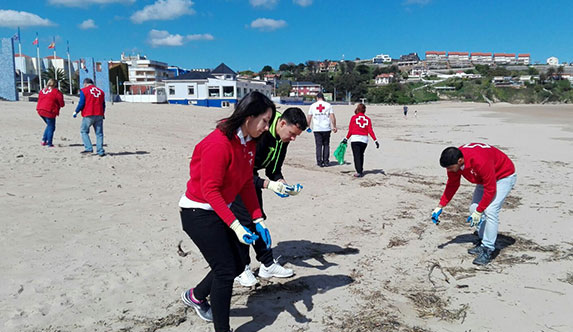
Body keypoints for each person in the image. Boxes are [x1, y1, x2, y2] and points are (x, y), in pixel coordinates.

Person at [178, 91, 276, 332]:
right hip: (198, 211)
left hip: (221, 210)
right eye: (265, 121)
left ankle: (195, 297)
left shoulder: (249, 143)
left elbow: (245, 182)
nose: (266, 128)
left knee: (236, 263)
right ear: (248, 117)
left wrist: (257, 219)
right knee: (225, 270)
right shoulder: (218, 143)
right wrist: (236, 226)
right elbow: (210, 190)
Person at [231, 107, 308, 287]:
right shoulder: (260, 131)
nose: (293, 138)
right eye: (292, 133)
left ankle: (267, 265)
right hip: (235, 179)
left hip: (252, 178)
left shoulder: (283, 137)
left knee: (258, 219)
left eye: (296, 135)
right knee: (244, 223)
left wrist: (282, 183)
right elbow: (241, 171)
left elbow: (273, 170)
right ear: (282, 123)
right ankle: (241, 269)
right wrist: (269, 185)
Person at [431, 143, 517, 266]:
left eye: (450, 168)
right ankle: (482, 241)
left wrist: (480, 210)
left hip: (503, 176)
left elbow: (491, 189)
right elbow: (452, 184)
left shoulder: (480, 162)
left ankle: (488, 249)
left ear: (460, 161)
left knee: (491, 211)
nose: (448, 171)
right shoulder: (454, 161)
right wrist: (440, 206)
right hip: (484, 179)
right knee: (473, 209)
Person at [341, 103, 379, 178]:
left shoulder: (354, 118)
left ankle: (359, 172)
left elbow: (351, 130)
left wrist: (346, 138)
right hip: (364, 140)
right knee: (361, 155)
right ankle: (360, 170)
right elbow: (370, 130)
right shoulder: (367, 119)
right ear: (364, 110)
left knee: (356, 156)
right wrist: (375, 140)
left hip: (355, 139)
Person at [73, 78, 106, 156]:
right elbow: (103, 104)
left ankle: (88, 148)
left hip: (89, 113)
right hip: (99, 114)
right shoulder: (101, 92)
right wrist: (102, 113)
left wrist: (76, 111)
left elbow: (81, 103)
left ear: (85, 84)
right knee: (99, 134)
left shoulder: (84, 91)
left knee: (84, 131)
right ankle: (100, 151)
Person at [307, 92, 337, 167]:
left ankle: (319, 162)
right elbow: (332, 116)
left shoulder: (313, 106)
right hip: (326, 128)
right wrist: (334, 126)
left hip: (317, 128)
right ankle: (326, 161)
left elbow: (309, 117)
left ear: (317, 98)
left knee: (318, 145)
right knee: (326, 145)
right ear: (323, 98)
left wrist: (308, 126)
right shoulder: (328, 105)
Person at [36, 79, 64, 147]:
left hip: (40, 109)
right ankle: (49, 142)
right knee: (51, 127)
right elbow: (62, 103)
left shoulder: (42, 90)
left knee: (49, 125)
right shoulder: (56, 92)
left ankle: (44, 140)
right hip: (49, 110)